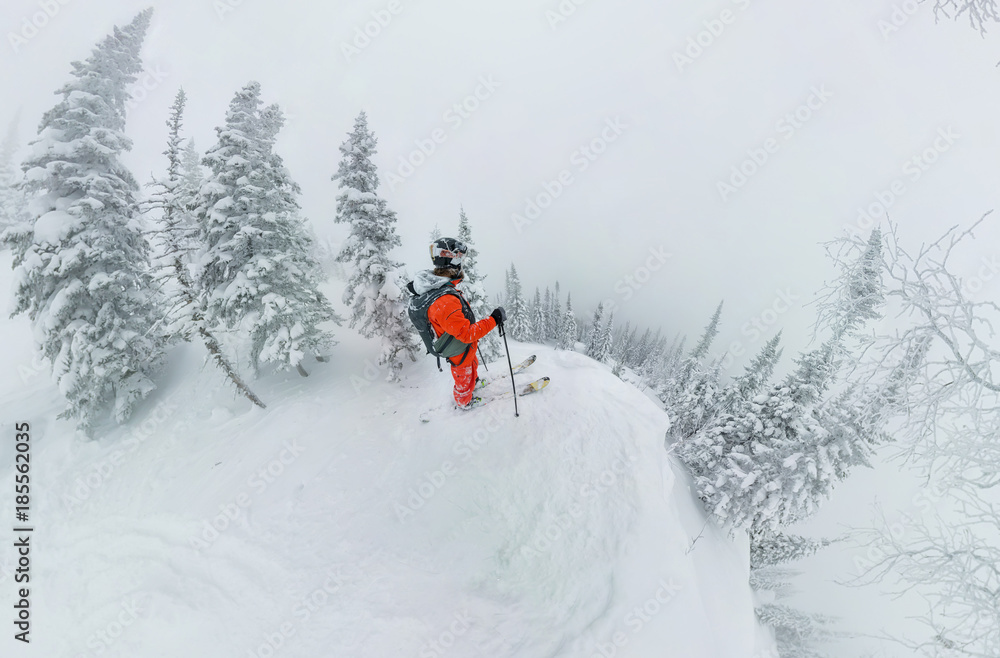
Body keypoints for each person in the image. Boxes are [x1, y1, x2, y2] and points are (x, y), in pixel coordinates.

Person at [407, 238, 505, 409]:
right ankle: (464, 401)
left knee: (471, 365)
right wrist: (494, 320)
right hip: (458, 350)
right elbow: (466, 334)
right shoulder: (444, 300)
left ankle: (472, 384)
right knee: (463, 374)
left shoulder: (440, 286)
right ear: (451, 260)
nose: (462, 262)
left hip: (461, 346)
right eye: (459, 257)